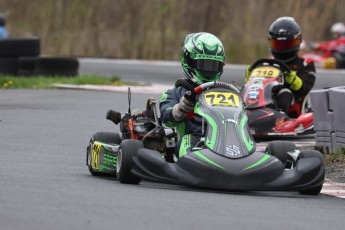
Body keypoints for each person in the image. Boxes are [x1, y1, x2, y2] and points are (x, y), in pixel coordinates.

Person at [159, 32, 225, 158]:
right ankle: (192, 164)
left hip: (224, 140)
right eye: (203, 64)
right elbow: (165, 117)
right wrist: (181, 108)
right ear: (189, 62)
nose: (208, 70)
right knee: (187, 141)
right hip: (193, 140)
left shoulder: (225, 91)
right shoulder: (175, 92)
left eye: (213, 65)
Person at [245, 16, 316, 117]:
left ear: (297, 41)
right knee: (242, 92)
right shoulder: (267, 63)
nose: (283, 49)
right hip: (266, 99)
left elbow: (305, 89)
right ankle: (246, 114)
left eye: (287, 44)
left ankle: (279, 118)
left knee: (285, 93)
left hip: (294, 107)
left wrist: (293, 80)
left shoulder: (306, 63)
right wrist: (251, 77)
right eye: (278, 44)